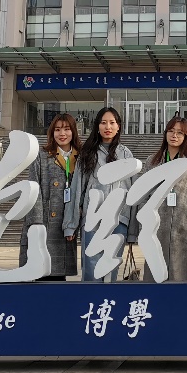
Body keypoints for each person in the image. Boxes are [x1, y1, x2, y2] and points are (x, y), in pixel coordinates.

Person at [63, 106, 136, 282]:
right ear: (97, 126)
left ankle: (109, 300)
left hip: (119, 220)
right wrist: (71, 224)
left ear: (118, 126)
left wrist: (132, 231)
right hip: (92, 219)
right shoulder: (87, 153)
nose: (107, 127)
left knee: (111, 270)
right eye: (103, 123)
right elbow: (77, 188)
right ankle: (90, 299)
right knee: (91, 269)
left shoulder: (126, 154)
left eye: (112, 123)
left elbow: (134, 193)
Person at [130, 115, 187, 281]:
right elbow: (144, 193)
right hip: (157, 225)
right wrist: (145, 216)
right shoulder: (153, 161)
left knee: (183, 273)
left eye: (180, 132)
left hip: (183, 225)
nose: (174, 135)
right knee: (156, 271)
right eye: (171, 131)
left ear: (186, 136)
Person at [21, 113, 81, 280]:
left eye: (67, 129)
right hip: (44, 222)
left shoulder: (81, 157)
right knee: (39, 272)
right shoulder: (41, 155)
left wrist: (73, 222)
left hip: (66, 223)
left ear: (74, 131)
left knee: (58, 277)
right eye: (57, 129)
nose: (62, 134)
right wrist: (36, 224)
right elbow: (33, 189)